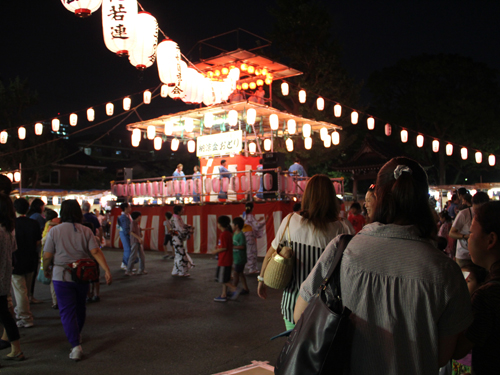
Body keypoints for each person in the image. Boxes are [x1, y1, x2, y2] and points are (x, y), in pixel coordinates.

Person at [295, 157, 473, 374]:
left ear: (376, 197)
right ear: (424, 202)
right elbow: (442, 355)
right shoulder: (446, 271)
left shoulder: (341, 251)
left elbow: (300, 316)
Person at [258, 174, 355, 330]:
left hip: (293, 305)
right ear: (331, 197)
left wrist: (262, 279)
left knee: (295, 350)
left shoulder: (291, 221)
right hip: (330, 309)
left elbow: (271, 252)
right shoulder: (344, 228)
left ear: (307, 195)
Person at [43, 200, 112, 361]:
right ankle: (77, 335)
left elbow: (47, 256)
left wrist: (45, 269)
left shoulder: (54, 231)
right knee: (80, 307)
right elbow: (95, 251)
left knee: (67, 311)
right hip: (83, 275)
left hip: (61, 275)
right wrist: (106, 270)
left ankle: (75, 345)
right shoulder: (86, 230)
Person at [453, 201, 500, 374]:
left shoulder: (488, 295)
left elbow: (458, 349)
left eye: (471, 232)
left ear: (491, 240)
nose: (468, 238)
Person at [0, 193, 25, 361]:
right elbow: (13, 252)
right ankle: (16, 349)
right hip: (3, 280)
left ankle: (16, 349)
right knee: (5, 315)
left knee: (5, 315)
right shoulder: (8, 230)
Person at [451, 264, 488, 374]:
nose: (462, 284)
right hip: (456, 364)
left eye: (468, 281)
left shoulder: (480, 310)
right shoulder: (454, 308)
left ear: (480, 285)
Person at [12, 198, 41, 328]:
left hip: (16, 260)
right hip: (31, 259)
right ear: (27, 209)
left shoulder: (11, 224)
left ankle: (25, 317)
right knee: (26, 290)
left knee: (20, 290)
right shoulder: (33, 223)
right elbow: (37, 242)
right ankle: (22, 312)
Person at [449, 191, 490, 268]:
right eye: (476, 209)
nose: (478, 211)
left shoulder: (488, 215)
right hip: (464, 256)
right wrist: (465, 236)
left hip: (482, 255)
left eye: (482, 208)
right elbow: (451, 233)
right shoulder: (464, 214)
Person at [211, 216, 242, 302]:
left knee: (222, 279)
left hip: (224, 260)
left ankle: (234, 289)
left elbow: (224, 247)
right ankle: (223, 295)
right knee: (225, 278)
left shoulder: (224, 234)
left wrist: (215, 251)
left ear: (220, 224)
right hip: (228, 259)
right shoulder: (228, 233)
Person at [41, 208, 60, 309]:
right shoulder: (53, 227)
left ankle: (55, 301)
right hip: (56, 256)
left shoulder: (47, 227)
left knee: (53, 280)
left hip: (50, 255)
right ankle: (57, 300)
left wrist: (44, 266)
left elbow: (44, 242)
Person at [126, 211, 153, 276]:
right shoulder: (133, 223)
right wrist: (139, 238)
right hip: (135, 241)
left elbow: (138, 230)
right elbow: (131, 232)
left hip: (138, 242)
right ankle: (128, 270)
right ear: (137, 217)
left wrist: (142, 232)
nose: (140, 217)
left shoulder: (136, 224)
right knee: (133, 256)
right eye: (139, 216)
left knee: (142, 256)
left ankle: (141, 269)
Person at [171, 205, 194, 277]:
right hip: (177, 239)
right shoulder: (176, 219)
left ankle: (175, 271)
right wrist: (189, 231)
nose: (183, 210)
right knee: (181, 256)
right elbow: (181, 230)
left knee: (178, 255)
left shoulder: (177, 218)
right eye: (182, 210)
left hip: (176, 239)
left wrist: (189, 227)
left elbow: (183, 226)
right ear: (178, 211)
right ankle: (182, 272)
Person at [242, 202, 265, 274]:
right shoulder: (250, 216)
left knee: (247, 251)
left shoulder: (244, 215)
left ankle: (247, 267)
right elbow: (257, 225)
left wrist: (259, 220)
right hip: (250, 235)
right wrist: (265, 221)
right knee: (252, 251)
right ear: (252, 208)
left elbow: (251, 223)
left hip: (244, 234)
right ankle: (252, 268)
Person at [232, 217, 249, 295]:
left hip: (240, 258)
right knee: (241, 274)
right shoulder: (235, 234)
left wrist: (233, 247)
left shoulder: (241, 235)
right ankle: (246, 289)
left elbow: (242, 246)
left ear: (237, 225)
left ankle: (233, 290)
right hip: (237, 258)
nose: (231, 225)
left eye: (233, 224)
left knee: (236, 274)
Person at [117, 202, 132, 270]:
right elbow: (126, 228)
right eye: (129, 207)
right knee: (128, 249)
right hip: (125, 233)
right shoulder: (123, 217)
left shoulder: (127, 215)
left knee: (129, 249)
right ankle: (125, 264)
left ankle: (126, 264)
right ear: (125, 208)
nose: (130, 208)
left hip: (126, 233)